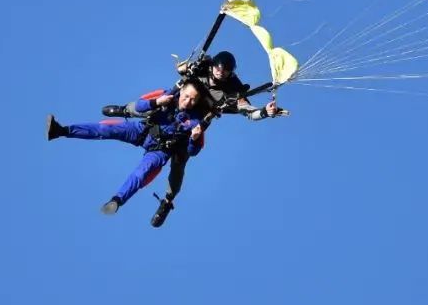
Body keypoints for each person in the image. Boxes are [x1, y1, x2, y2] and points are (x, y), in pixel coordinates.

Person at [97, 51, 286, 227]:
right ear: (213, 65)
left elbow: (249, 112)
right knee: (153, 102)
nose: (220, 72)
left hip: (190, 128)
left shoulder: (233, 91)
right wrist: (183, 68)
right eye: (218, 68)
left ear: (230, 73)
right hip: (172, 107)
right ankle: (123, 110)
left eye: (225, 71)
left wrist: (264, 112)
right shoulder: (202, 67)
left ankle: (167, 201)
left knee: (179, 164)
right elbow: (182, 68)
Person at [45, 82, 208, 216]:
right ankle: (60, 131)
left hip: (160, 150)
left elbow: (192, 152)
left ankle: (117, 200)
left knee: (142, 172)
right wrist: (157, 102)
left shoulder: (194, 121)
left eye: (193, 100)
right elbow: (140, 106)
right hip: (142, 130)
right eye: (186, 96)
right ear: (182, 92)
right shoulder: (169, 95)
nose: (187, 102)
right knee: (104, 130)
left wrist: (193, 139)